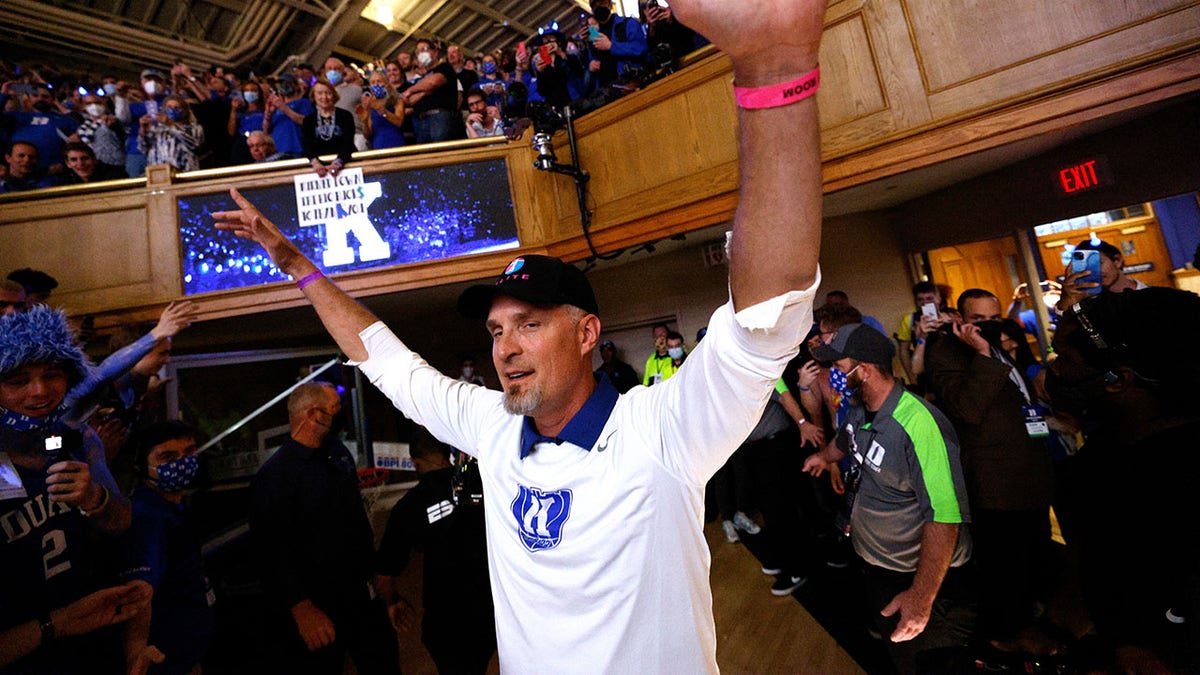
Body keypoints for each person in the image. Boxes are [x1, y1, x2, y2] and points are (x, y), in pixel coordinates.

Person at [213, 0, 826, 667]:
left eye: (529, 324)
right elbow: (382, 356)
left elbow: (769, 310)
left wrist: (774, 65)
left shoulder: (662, 429)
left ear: (589, 332)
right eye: (497, 329)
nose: (503, 347)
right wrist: (296, 264)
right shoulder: (493, 427)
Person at [802, 323, 975, 675]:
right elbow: (844, 441)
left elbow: (945, 517)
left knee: (931, 665)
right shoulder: (858, 407)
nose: (832, 374)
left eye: (838, 367)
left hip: (923, 578)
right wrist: (824, 457)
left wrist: (921, 599)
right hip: (879, 568)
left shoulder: (920, 425)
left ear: (862, 370)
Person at [1047, 287, 1200, 674]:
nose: (1055, 370)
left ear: (1118, 379)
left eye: (1063, 358)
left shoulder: (1167, 482)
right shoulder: (1100, 459)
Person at [0, 305, 139, 673]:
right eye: (17, 381)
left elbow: (122, 522)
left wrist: (96, 499)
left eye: (52, 374)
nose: (40, 391)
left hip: (90, 644)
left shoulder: (78, 439)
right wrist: (56, 624)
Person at [924, 289, 1057, 655]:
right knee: (1004, 563)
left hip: (1029, 469)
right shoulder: (946, 353)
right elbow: (966, 408)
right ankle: (1006, 636)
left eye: (994, 317)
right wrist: (982, 354)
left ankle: (1030, 620)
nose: (989, 326)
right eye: (979, 320)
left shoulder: (1002, 346)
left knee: (1033, 555)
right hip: (994, 479)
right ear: (962, 320)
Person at [248, 382, 400, 675]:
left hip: (361, 595)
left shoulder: (336, 451)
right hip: (319, 603)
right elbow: (270, 551)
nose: (340, 413)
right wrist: (301, 608)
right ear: (314, 414)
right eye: (335, 408)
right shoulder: (276, 476)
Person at [377, 431, 495, 675]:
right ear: (445, 456)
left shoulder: (407, 507)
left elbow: (385, 573)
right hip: (489, 610)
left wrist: (392, 601)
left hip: (445, 620)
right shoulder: (479, 481)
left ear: (415, 463)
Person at [116, 420, 215, 675]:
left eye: (189, 452)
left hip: (186, 649)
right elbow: (139, 592)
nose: (181, 462)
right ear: (142, 465)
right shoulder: (146, 516)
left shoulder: (174, 506)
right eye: (167, 456)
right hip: (163, 659)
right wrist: (136, 657)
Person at [1057, 237, 1149, 310]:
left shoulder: (1153, 296)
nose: (1094, 271)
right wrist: (1067, 302)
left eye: (1098, 263)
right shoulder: (1090, 307)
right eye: (1086, 267)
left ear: (1117, 261)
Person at [302, 81, 356, 178]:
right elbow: (307, 145)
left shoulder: (345, 116)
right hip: (319, 170)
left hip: (346, 166)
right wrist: (316, 164)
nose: (324, 97)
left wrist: (338, 163)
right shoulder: (308, 120)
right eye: (320, 93)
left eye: (328, 93)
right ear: (313, 96)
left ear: (334, 95)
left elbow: (348, 142)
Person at [137, 95, 204, 172]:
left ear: (184, 111)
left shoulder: (194, 128)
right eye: (169, 107)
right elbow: (143, 148)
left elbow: (195, 145)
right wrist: (143, 130)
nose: (172, 110)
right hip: (159, 173)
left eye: (176, 107)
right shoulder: (157, 129)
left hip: (185, 172)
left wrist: (171, 125)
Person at [358, 70, 406, 150]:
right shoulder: (369, 105)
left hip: (396, 142)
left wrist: (382, 111)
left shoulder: (397, 100)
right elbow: (368, 135)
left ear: (386, 84)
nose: (376, 84)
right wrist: (364, 121)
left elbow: (399, 122)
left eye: (379, 81)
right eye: (373, 82)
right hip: (378, 144)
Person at [59, 141, 128, 184]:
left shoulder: (116, 175)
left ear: (94, 160)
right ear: (68, 164)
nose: (80, 164)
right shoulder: (63, 182)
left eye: (84, 158)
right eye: (74, 160)